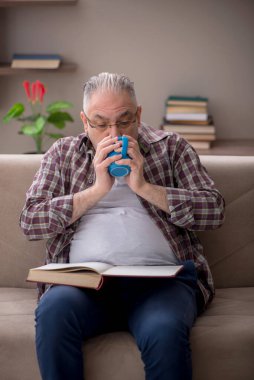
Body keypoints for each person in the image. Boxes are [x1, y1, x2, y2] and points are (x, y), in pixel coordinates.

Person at [20, 72, 225, 380]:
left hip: (162, 285)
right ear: (85, 121)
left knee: (164, 329)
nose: (113, 133)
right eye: (101, 123)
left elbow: (215, 210)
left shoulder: (172, 148)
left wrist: (144, 187)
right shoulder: (62, 154)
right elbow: (30, 221)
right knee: (53, 313)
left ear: (139, 115)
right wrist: (96, 191)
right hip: (83, 285)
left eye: (125, 121)